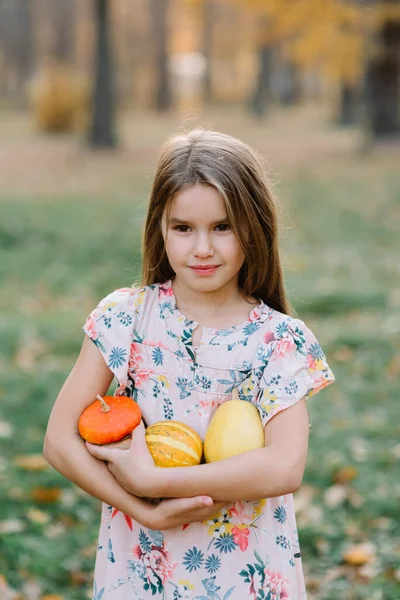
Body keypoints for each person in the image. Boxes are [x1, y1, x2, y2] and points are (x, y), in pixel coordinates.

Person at [44, 128, 335, 600]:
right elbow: (59, 442)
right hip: (141, 571)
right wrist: (143, 507)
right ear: (160, 227)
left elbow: (285, 466)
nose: (202, 248)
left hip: (245, 574)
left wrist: (159, 482)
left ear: (254, 226)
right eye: (183, 228)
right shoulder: (127, 319)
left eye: (222, 227)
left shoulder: (278, 340)